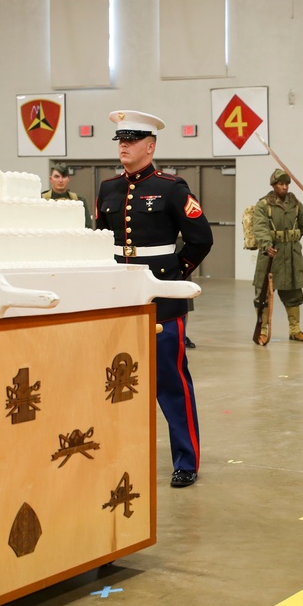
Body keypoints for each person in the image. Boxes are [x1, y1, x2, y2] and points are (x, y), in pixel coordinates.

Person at [95, 110, 213, 488]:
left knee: (170, 382)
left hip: (162, 299)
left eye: (131, 140)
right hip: (117, 297)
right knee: (116, 379)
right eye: (120, 140)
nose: (124, 146)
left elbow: (201, 238)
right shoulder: (108, 188)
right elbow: (99, 241)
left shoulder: (172, 187)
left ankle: (186, 460)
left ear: (151, 146)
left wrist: (174, 275)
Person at [251, 169, 303, 344]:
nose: (284, 187)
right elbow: (260, 227)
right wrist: (267, 244)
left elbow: (302, 225)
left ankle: (295, 330)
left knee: (293, 291)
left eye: (286, 184)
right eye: (280, 184)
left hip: (291, 254)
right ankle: (261, 330)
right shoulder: (264, 204)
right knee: (263, 294)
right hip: (270, 255)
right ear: (274, 185)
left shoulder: (296, 204)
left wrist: (290, 239)